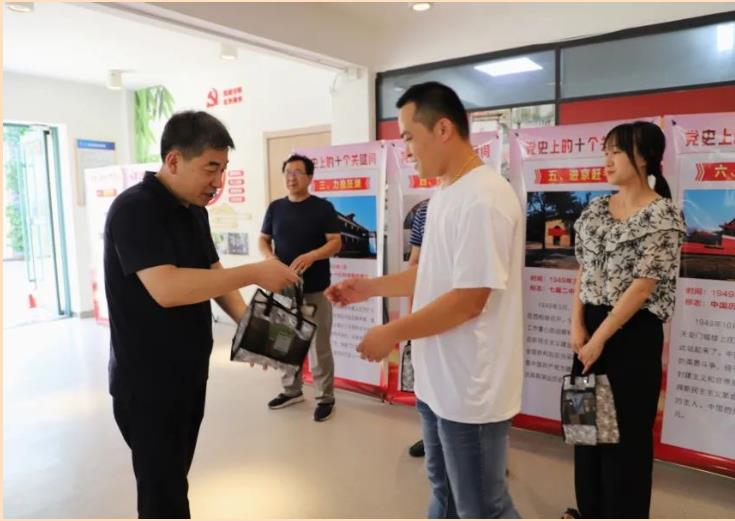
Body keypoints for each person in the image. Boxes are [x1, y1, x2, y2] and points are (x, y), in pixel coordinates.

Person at [326, 81, 523, 519]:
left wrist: (391, 333)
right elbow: (430, 275)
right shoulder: (446, 194)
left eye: (409, 137)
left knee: (483, 508)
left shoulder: (484, 198)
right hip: (438, 381)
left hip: (470, 390)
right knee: (445, 493)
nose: (406, 150)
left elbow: (468, 300)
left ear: (443, 129)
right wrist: (368, 288)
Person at [104, 110, 298, 518]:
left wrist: (254, 330)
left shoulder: (195, 210)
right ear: (174, 160)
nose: (218, 181)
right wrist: (256, 271)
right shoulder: (134, 210)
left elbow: (214, 274)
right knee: (163, 494)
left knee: (175, 477)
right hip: (148, 382)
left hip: (189, 373)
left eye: (223, 169)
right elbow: (168, 289)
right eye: (211, 168)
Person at [564, 121, 685, 519]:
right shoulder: (596, 209)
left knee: (625, 441)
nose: (607, 160)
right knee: (586, 430)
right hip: (589, 331)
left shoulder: (664, 215)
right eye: (606, 152)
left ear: (645, 157)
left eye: (616, 151)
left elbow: (642, 286)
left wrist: (599, 338)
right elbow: (584, 269)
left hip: (631, 336)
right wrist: (577, 323)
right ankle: (589, 510)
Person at [259, 153, 342, 422]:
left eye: (297, 172)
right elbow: (263, 239)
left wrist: (313, 255)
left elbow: (336, 242)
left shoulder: (323, 208)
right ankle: (291, 390)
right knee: (285, 340)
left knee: (319, 345)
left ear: (309, 177)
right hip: (284, 288)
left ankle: (325, 397)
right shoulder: (275, 207)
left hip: (316, 288)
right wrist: (270, 258)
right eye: (287, 172)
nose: (291, 177)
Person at [406, 199, 428, 458]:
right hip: (427, 305)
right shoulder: (424, 212)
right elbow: (415, 260)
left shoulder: (482, 201)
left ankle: (488, 454)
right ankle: (431, 435)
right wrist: (412, 310)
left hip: (471, 312)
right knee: (426, 374)